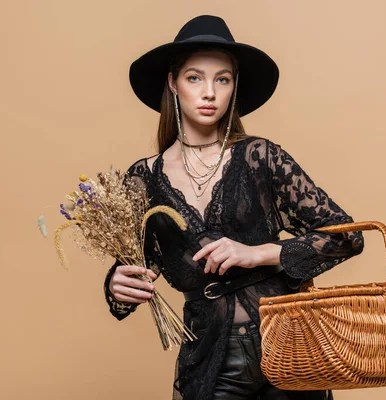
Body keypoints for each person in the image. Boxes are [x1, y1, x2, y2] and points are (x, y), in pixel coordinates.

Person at [103, 15, 364, 400]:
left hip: (289, 350)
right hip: (211, 361)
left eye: (222, 79)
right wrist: (116, 285)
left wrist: (257, 253)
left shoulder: (260, 157)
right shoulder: (145, 178)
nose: (209, 92)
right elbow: (137, 268)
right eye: (195, 78)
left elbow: (348, 237)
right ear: (173, 83)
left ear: (233, 87)